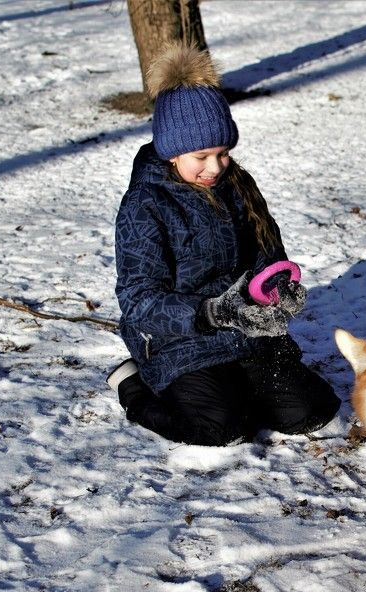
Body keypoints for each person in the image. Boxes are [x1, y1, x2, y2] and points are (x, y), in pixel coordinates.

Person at [107, 42, 340, 446]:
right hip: (179, 338)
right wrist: (212, 312)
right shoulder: (145, 205)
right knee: (219, 429)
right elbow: (138, 300)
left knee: (312, 411)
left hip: (244, 329)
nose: (215, 167)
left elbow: (268, 255)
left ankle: (237, 386)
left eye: (223, 153)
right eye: (202, 155)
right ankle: (132, 386)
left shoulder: (237, 186)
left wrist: (277, 289)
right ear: (171, 152)